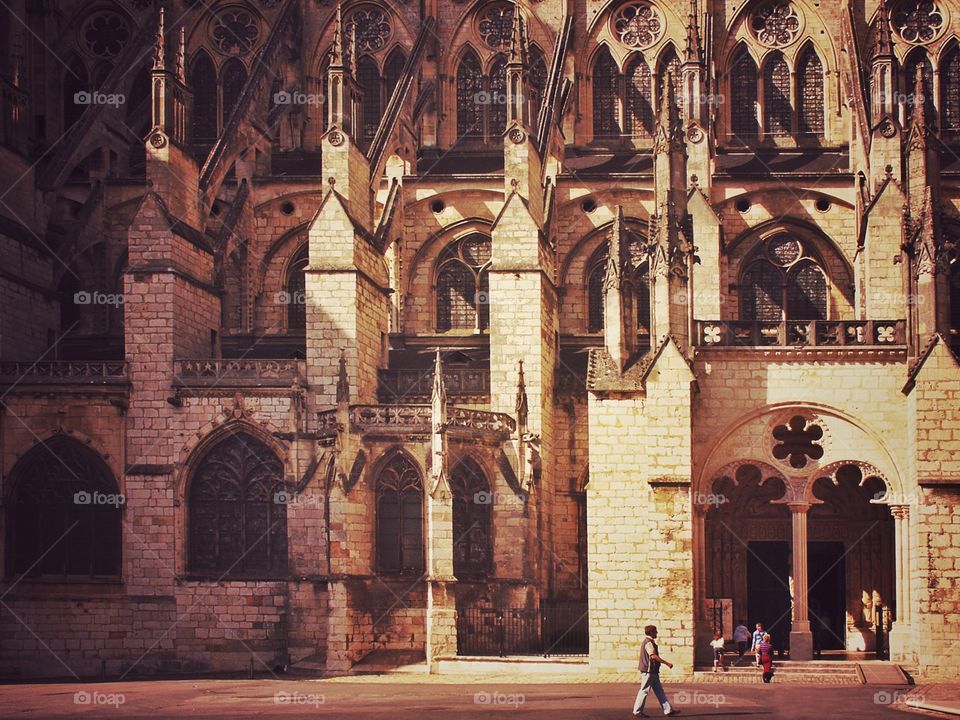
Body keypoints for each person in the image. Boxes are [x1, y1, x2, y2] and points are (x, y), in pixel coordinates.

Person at [633, 625, 679, 717]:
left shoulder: (649, 642)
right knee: (644, 690)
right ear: (651, 633)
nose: (657, 633)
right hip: (649, 671)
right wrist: (667, 663)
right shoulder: (648, 643)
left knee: (659, 690)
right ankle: (637, 711)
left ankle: (668, 710)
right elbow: (653, 656)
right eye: (655, 632)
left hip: (653, 671)